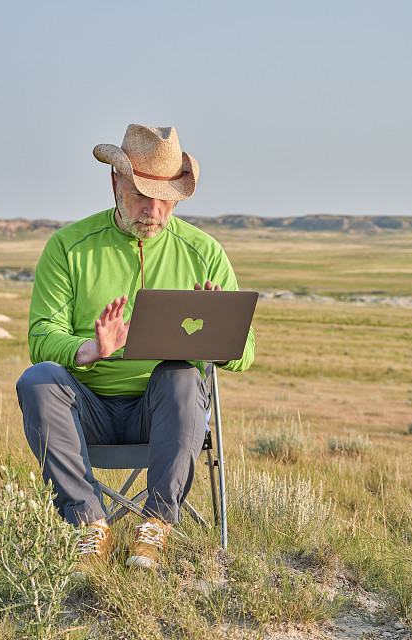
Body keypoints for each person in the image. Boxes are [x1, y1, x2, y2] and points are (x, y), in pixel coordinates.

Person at [15, 124, 255, 574]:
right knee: (38, 380)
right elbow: (41, 336)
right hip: (88, 411)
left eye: (166, 198)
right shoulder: (67, 247)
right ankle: (90, 527)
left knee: (183, 375)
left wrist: (215, 340)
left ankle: (157, 525)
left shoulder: (204, 253)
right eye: (143, 194)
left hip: (163, 413)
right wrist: (89, 348)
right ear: (115, 182)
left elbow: (247, 351)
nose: (154, 209)